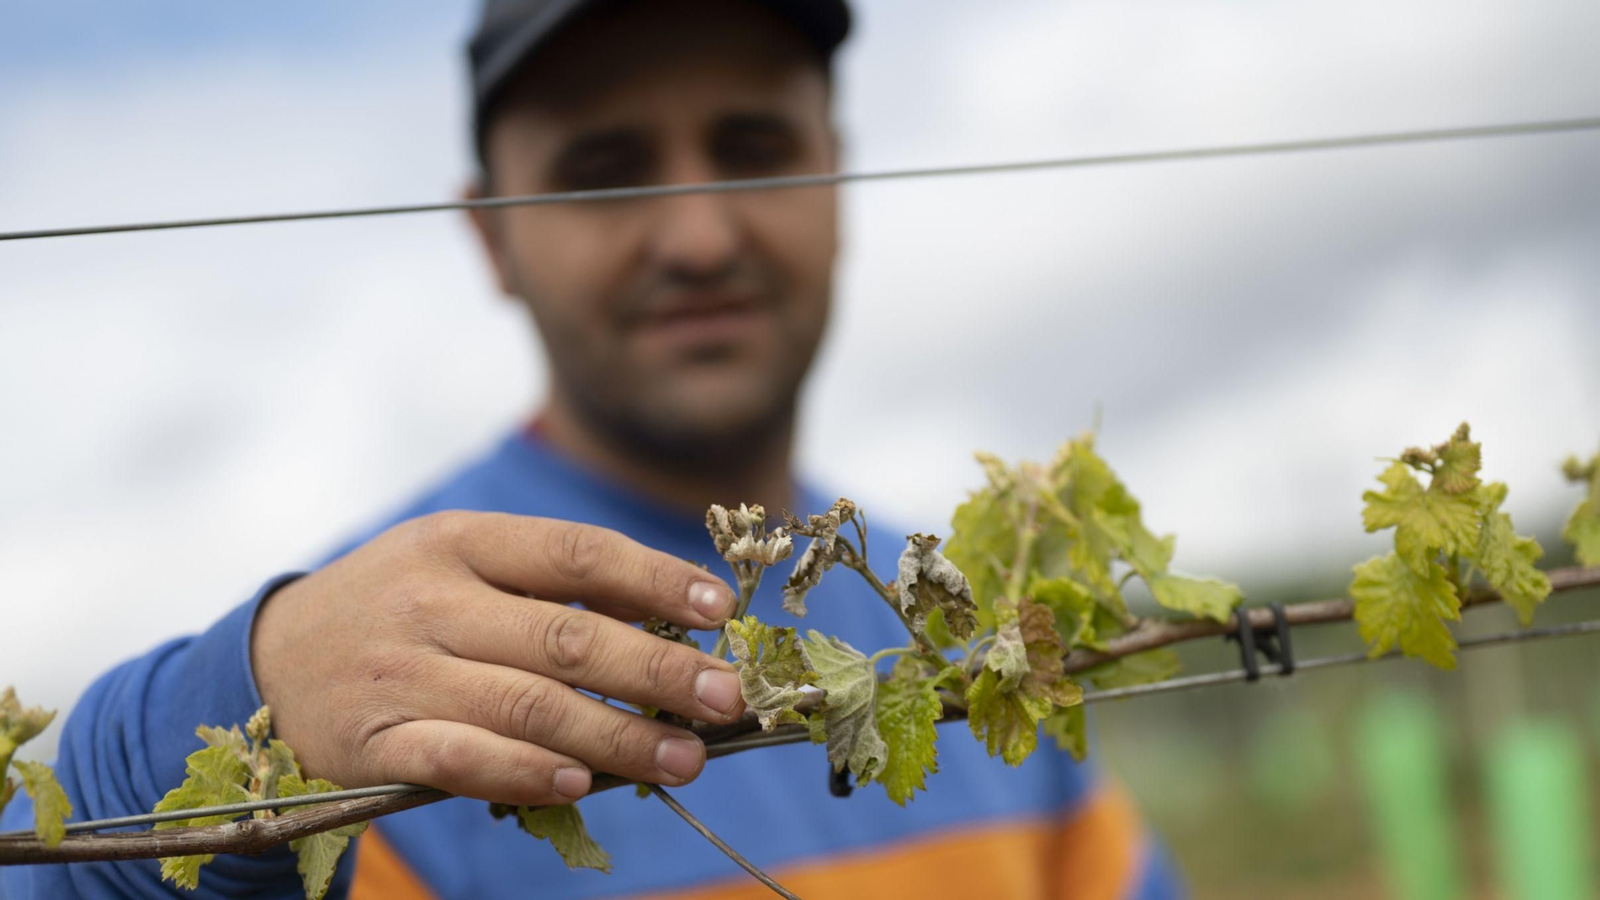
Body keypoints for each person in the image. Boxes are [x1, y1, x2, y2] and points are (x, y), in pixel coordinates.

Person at [0, 1, 1185, 897]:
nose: (699, 233)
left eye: (754, 146)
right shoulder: (367, 687)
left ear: (836, 175)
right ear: (490, 239)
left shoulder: (968, 640)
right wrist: (232, 694)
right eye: (604, 173)